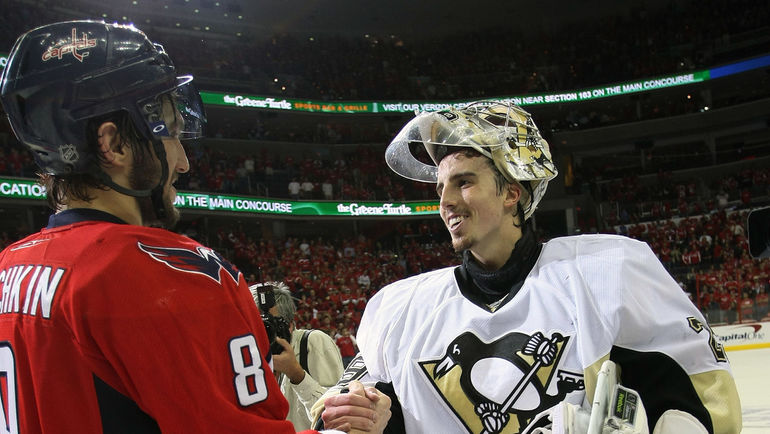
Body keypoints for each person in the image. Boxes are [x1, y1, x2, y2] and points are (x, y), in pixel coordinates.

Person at [0, 20, 389, 433]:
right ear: (111, 144)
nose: (183, 161)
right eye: (168, 132)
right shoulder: (169, 273)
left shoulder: (9, 267)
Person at [315, 101, 742, 433]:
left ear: (512, 193)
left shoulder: (604, 273)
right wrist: (373, 419)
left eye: (464, 181)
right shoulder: (401, 308)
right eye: (442, 186)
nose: (444, 201)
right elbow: (340, 411)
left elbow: (696, 396)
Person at [250, 282, 345, 431]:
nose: (261, 331)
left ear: (289, 324)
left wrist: (297, 374)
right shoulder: (248, 354)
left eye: (268, 324)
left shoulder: (312, 342)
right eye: (253, 323)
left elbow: (337, 415)